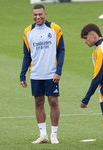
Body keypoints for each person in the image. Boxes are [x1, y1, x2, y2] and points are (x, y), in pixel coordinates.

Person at [20, 4, 65, 144]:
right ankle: (43, 135)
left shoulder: (55, 29)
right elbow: (26, 54)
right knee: (38, 102)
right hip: (36, 73)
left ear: (45, 14)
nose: (37, 17)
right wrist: (22, 74)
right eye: (35, 15)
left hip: (52, 73)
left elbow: (61, 50)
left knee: (53, 101)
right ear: (32, 15)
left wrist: (59, 72)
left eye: (40, 14)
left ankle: (54, 135)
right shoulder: (28, 31)